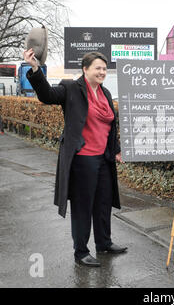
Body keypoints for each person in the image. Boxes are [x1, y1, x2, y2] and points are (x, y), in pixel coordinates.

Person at [24, 49, 127, 267]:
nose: (102, 72)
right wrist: (35, 68)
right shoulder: (71, 88)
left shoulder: (105, 93)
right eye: (97, 68)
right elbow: (47, 95)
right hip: (83, 159)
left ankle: (104, 243)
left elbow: (110, 126)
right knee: (83, 206)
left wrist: (116, 149)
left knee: (103, 203)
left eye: (104, 69)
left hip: (103, 159)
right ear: (85, 69)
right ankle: (81, 251)